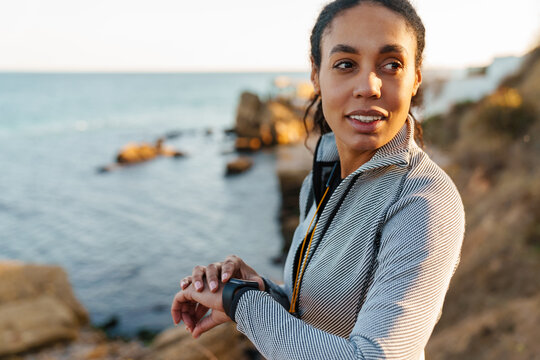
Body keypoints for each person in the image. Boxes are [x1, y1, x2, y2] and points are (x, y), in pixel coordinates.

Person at [171, 0, 465, 359]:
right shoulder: (321, 177)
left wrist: (241, 303)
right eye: (345, 64)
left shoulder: (425, 201)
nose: (369, 86)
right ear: (316, 74)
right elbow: (315, 315)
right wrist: (258, 290)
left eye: (392, 64)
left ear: (416, 77)